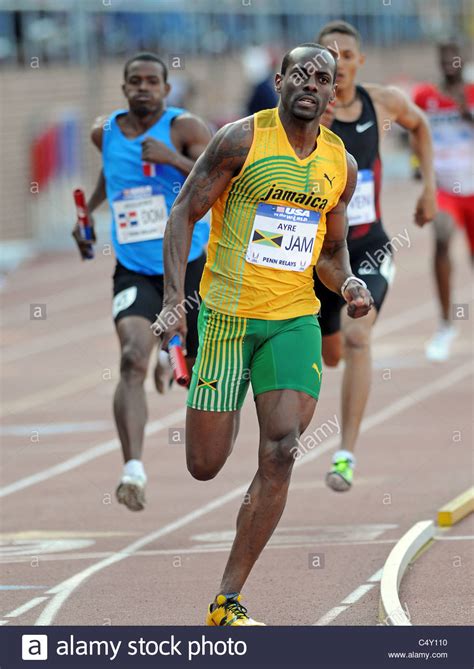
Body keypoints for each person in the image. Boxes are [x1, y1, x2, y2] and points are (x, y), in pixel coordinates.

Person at [156, 42, 373, 625]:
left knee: (280, 449)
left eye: (322, 76)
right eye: (299, 72)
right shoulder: (240, 141)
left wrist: (349, 284)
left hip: (293, 318)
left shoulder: (339, 166)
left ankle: (227, 599)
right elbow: (182, 213)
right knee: (204, 464)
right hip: (226, 318)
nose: (310, 81)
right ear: (278, 80)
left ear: (332, 94)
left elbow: (331, 254)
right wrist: (176, 301)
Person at [72, 52, 212, 511]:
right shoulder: (104, 131)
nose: (143, 88)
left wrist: (171, 158)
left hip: (189, 263)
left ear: (167, 90)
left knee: (195, 371)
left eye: (153, 81)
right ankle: (133, 470)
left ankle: (170, 352)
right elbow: (111, 176)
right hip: (134, 266)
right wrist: (87, 217)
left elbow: (221, 179)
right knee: (131, 355)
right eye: (135, 81)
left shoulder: (186, 129)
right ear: (124, 88)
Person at [312, 21, 437, 492]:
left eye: (346, 55)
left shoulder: (380, 102)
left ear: (358, 62)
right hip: (318, 257)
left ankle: (344, 454)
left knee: (358, 335)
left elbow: (420, 124)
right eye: (328, 55)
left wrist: (429, 188)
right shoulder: (301, 114)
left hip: (367, 248)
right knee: (333, 354)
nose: (338, 63)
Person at [413, 41, 474, 362]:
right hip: (445, 189)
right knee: (441, 239)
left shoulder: (473, 93)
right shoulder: (426, 97)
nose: (451, 61)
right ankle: (446, 324)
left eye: (456, 56)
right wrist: (418, 171)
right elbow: (414, 134)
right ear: (438, 61)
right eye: (444, 56)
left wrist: (466, 111)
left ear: (464, 60)